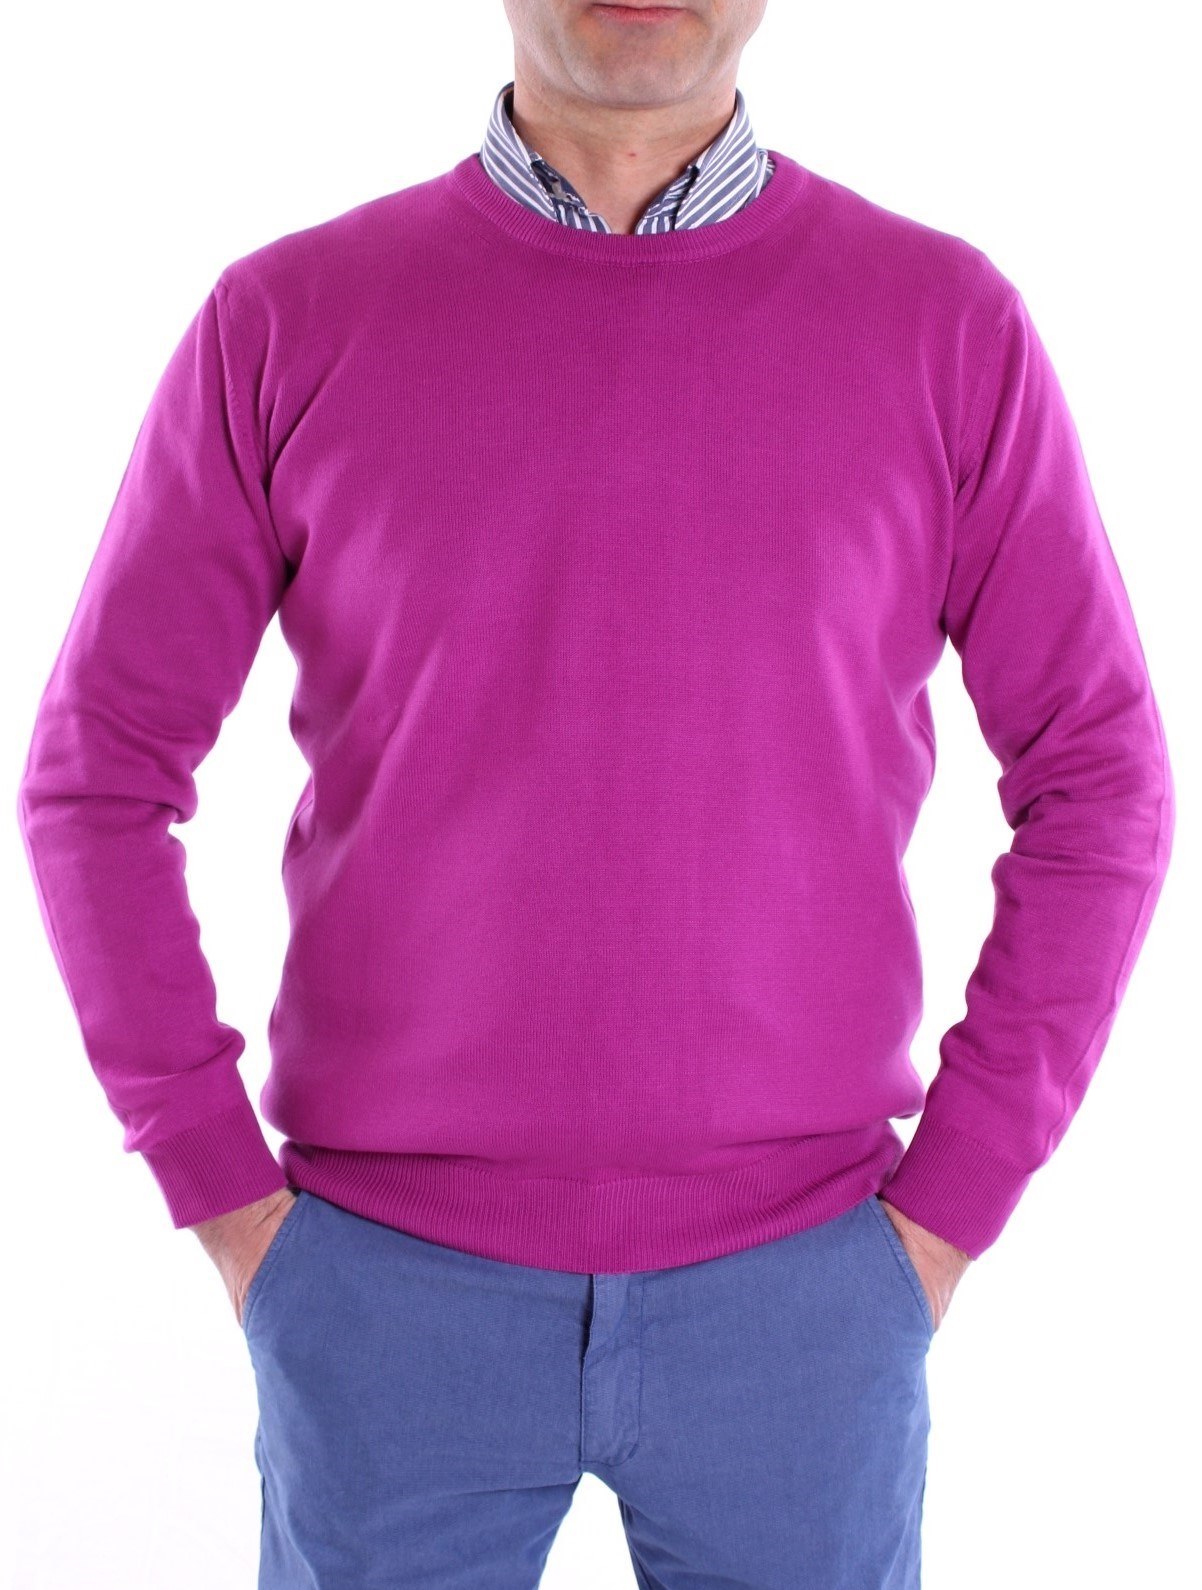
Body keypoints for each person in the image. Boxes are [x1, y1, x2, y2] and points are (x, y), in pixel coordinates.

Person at [16, 1, 1175, 1585]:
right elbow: (96, 770)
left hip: (804, 1295)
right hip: (386, 1295)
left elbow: (1099, 775)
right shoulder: (285, 319)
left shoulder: (944, 326)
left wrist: (950, 1204)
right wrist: (218, 1187)